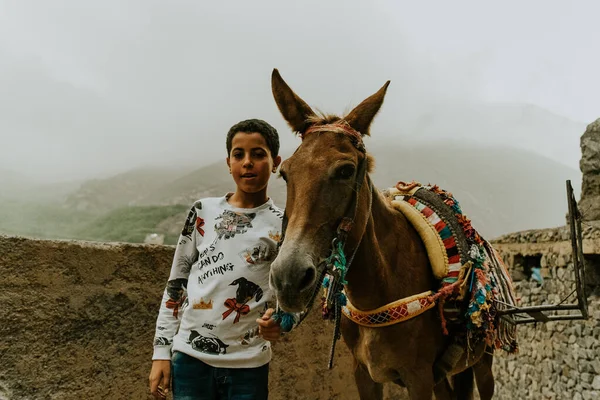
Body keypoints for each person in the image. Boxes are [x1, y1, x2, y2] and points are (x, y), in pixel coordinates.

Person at [149, 119, 285, 400]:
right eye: (239, 155)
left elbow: (296, 291)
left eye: (258, 154)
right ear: (229, 162)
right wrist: (161, 352)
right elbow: (176, 285)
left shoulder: (285, 223)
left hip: (249, 365)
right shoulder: (203, 211)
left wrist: (283, 320)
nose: (247, 162)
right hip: (189, 359)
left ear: (275, 162)